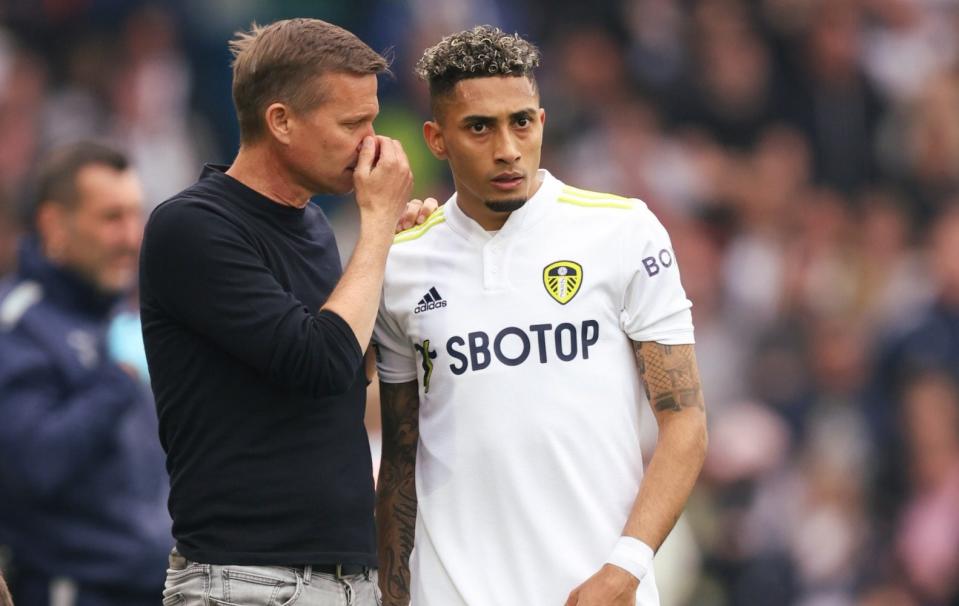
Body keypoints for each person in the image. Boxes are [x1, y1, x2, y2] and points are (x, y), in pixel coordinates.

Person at [373, 26, 709, 606]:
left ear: (542, 122)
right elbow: (400, 461)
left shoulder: (622, 232)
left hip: (599, 592)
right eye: (480, 127)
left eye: (521, 122)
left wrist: (624, 569)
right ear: (436, 138)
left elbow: (685, 422)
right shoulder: (401, 261)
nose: (507, 147)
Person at [139, 18, 433, 605]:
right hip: (246, 581)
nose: (373, 143)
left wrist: (393, 259)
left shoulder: (314, 228)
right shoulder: (193, 226)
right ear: (281, 121)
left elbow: (348, 370)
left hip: (343, 578)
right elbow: (317, 361)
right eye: (353, 124)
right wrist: (375, 232)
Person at [0, 141, 170, 605]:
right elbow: (30, 468)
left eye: (136, 215)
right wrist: (112, 386)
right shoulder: (17, 328)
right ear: (55, 224)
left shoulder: (117, 321)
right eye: (111, 218)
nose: (131, 237)